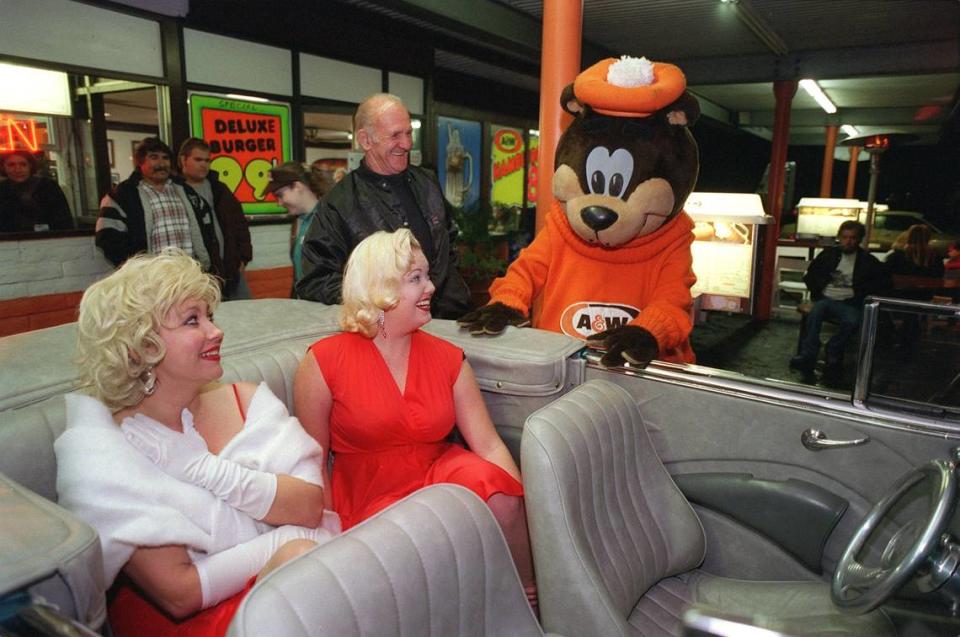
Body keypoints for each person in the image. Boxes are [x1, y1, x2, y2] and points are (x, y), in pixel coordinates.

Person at [55, 249, 339, 636]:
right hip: (193, 622)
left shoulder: (247, 399)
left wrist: (202, 468)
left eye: (210, 316)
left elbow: (309, 506)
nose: (215, 331)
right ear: (140, 345)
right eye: (193, 320)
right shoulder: (104, 447)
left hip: (287, 587)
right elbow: (181, 594)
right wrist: (289, 541)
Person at [294, 229, 536, 610]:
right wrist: (326, 532)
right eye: (415, 278)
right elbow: (311, 459)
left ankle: (528, 600)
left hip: (437, 469)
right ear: (379, 288)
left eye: (428, 275)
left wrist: (523, 506)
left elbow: (488, 445)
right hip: (367, 489)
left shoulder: (448, 357)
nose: (432, 288)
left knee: (501, 492)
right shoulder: (323, 361)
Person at [296, 93, 470, 318]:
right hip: (387, 333)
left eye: (408, 133)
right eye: (395, 135)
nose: (406, 144)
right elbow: (316, 280)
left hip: (446, 318)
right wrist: (381, 302)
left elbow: (449, 238)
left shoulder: (428, 182)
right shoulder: (339, 204)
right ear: (366, 140)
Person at [96, 138, 223, 277]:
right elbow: (107, 237)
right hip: (150, 279)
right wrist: (135, 270)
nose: (161, 163)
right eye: (154, 157)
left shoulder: (187, 192)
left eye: (165, 158)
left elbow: (209, 231)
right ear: (140, 162)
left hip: (190, 275)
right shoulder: (122, 196)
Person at [790, 220, 889, 383]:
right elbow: (810, 275)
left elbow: (880, 282)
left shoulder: (867, 261)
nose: (848, 241)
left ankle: (833, 347)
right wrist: (819, 289)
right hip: (826, 298)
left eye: (852, 238)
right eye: (845, 237)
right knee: (816, 313)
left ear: (859, 240)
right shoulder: (829, 255)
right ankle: (809, 354)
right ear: (839, 237)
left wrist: (860, 294)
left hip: (849, 301)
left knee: (852, 320)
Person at [178, 138, 254, 300]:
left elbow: (240, 224)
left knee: (244, 313)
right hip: (198, 271)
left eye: (207, 160)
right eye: (198, 160)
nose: (204, 165)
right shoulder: (175, 191)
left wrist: (243, 258)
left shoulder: (219, 188)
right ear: (183, 160)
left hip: (229, 266)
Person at [264, 161, 333, 290]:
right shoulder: (300, 222)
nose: (279, 203)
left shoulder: (331, 220)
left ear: (297, 186)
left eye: (280, 195)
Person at [0, 150, 73, 232]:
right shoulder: (2, 189)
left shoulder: (48, 187)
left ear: (31, 166)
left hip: (48, 239)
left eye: (23, 164)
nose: (17, 170)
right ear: (3, 167)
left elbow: (63, 220)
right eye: (11, 165)